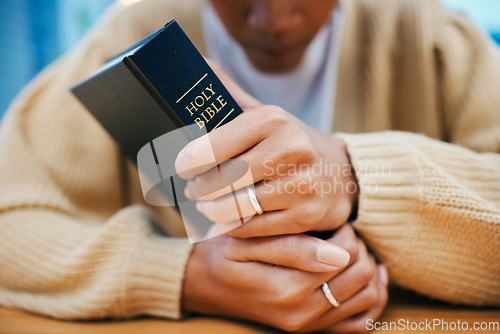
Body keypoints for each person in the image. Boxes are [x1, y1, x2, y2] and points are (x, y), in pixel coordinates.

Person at [0, 0, 498, 332]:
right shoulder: (130, 32)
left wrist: (353, 175)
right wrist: (189, 275)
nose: (275, 18)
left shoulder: (429, 36)